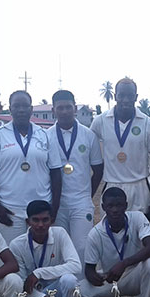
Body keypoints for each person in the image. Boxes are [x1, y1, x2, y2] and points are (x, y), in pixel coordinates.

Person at [80, 187, 150, 297]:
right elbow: (89, 270)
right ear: (103, 208)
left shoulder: (137, 218)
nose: (115, 210)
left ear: (126, 205)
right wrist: (96, 278)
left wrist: (123, 264)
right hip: (112, 279)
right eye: (110, 206)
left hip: (135, 275)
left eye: (119, 205)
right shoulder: (95, 234)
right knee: (80, 291)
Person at [0, 90, 62, 244]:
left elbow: (55, 172)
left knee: (40, 254)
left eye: (25, 106)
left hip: (40, 209)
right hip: (10, 209)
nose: (21, 110)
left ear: (31, 109)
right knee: (11, 256)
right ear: (9, 108)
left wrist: (55, 206)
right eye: (16, 106)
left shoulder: (45, 135)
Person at [8, 200, 81, 297]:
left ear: (52, 220)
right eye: (36, 220)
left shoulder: (60, 233)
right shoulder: (17, 245)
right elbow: (21, 282)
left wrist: (39, 273)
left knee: (70, 280)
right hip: (31, 294)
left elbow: (75, 265)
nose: (40, 225)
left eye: (45, 220)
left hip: (55, 292)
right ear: (28, 221)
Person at [90, 78, 150, 223]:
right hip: (111, 185)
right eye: (121, 95)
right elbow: (89, 151)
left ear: (136, 97)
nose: (126, 100)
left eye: (130, 96)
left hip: (139, 187)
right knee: (112, 237)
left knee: (139, 237)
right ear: (115, 96)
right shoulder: (100, 121)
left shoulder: (147, 123)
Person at [45, 89, 103, 271]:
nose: (64, 111)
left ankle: (82, 292)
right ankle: (61, 291)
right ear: (53, 110)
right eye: (60, 108)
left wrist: (87, 194)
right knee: (58, 249)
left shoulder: (88, 135)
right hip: (56, 203)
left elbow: (98, 169)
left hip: (81, 202)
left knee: (82, 247)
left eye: (68, 107)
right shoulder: (46, 136)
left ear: (75, 108)